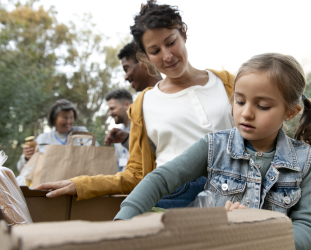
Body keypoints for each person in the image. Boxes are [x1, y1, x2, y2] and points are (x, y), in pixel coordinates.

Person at [114, 53, 311, 250]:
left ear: (290, 112)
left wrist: (261, 229)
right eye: (239, 101)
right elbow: (161, 179)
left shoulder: (306, 162)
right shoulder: (214, 146)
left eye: (262, 106)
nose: (246, 113)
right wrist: (123, 222)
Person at [34, 2, 234, 209]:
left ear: (183, 33)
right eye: (155, 50)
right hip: (174, 195)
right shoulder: (144, 104)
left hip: (235, 192)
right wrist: (82, 184)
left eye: (171, 42)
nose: (167, 56)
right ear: (146, 56)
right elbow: (137, 174)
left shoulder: (229, 84)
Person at [104, 41, 161, 148]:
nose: (126, 77)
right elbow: (154, 148)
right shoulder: (141, 105)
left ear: (144, 60)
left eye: (127, 69)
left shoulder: (172, 94)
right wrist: (127, 138)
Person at [17, 99, 98, 172]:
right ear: (54, 118)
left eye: (71, 117)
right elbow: (20, 168)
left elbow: (97, 153)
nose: (69, 121)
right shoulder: (42, 139)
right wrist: (27, 158)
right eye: (64, 118)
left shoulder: (81, 133)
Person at [105, 89, 133, 172]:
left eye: (112, 109)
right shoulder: (118, 133)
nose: (110, 113)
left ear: (127, 105)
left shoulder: (142, 127)